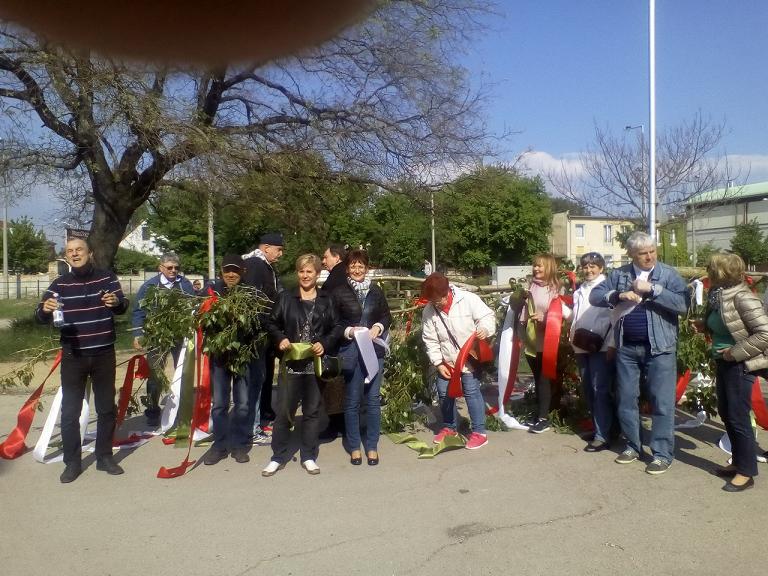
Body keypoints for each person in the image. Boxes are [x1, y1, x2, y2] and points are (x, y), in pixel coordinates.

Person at [591, 231, 689, 475]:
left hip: (660, 348)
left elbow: (683, 304)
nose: (649, 257)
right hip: (627, 348)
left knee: (661, 402)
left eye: (652, 251)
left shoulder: (668, 274)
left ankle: (662, 454)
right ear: (632, 255)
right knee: (626, 399)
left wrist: (654, 289)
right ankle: (633, 446)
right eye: (643, 253)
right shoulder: (620, 274)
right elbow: (595, 296)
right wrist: (619, 295)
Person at [35, 238, 129, 483]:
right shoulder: (59, 284)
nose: (75, 254)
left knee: (106, 408)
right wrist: (45, 309)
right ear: (66, 256)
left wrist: (116, 303)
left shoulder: (107, 278)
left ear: (90, 253)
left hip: (103, 353)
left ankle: (104, 457)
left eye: (79, 250)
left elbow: (122, 306)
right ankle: (72, 463)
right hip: (73, 355)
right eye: (70, 251)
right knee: (70, 412)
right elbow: (39, 316)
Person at [262, 254, 343, 477]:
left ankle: (308, 455)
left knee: (311, 412)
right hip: (291, 365)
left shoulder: (327, 299)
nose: (305, 275)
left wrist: (324, 343)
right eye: (301, 271)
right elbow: (270, 322)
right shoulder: (286, 297)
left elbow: (337, 326)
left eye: (309, 271)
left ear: (317, 274)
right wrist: (280, 338)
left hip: (314, 366)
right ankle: (277, 456)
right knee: (284, 413)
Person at [705, 253, 766, 492]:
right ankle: (739, 462)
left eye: (711, 269)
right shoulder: (719, 295)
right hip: (724, 361)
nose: (708, 272)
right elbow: (726, 325)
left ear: (721, 273)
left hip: (740, 364)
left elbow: (764, 334)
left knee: (738, 416)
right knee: (727, 412)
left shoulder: (743, 297)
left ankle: (746, 472)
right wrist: (704, 326)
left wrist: (734, 352)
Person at [421, 272, 495, 450]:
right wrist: (438, 363)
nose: (435, 304)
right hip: (447, 360)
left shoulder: (468, 299)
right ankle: (449, 427)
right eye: (432, 301)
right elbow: (430, 339)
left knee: (471, 392)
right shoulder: (429, 310)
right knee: (444, 392)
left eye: (438, 300)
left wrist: (485, 329)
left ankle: (479, 432)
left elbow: (487, 316)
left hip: (469, 358)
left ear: (446, 292)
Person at [333, 249, 391, 466]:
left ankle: (372, 446)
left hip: (374, 352)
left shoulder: (376, 291)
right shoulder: (339, 292)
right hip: (351, 352)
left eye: (361, 266)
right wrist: (349, 331)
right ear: (347, 269)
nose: (357, 270)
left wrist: (378, 327)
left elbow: (386, 316)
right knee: (352, 401)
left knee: (373, 400)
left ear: (367, 268)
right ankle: (355, 446)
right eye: (353, 266)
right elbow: (333, 323)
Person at [202, 254, 256, 465]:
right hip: (219, 357)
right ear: (221, 272)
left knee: (242, 404)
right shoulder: (211, 292)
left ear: (243, 272)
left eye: (235, 270)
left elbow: (261, 323)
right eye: (227, 270)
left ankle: (240, 445)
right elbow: (201, 320)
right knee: (219, 404)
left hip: (242, 356)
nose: (231, 274)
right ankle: (219, 446)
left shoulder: (251, 293)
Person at [131, 252, 195, 427]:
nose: (173, 270)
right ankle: (153, 411)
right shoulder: (149, 286)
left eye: (176, 267)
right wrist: (137, 334)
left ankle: (183, 410)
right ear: (161, 268)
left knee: (183, 373)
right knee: (155, 375)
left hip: (180, 336)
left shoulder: (185, 284)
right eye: (169, 267)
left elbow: (193, 305)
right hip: (156, 337)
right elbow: (138, 312)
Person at [519, 253, 572, 434]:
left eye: (540, 265)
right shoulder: (531, 286)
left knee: (544, 380)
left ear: (549, 267)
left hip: (548, 340)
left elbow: (562, 314)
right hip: (531, 340)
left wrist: (545, 317)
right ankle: (539, 413)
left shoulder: (557, 289)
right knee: (537, 379)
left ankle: (544, 419)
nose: (536, 269)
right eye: (534, 265)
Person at [569, 252, 614, 451]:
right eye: (585, 266)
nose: (588, 270)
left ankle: (604, 435)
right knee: (588, 388)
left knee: (599, 389)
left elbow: (615, 316)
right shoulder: (579, 291)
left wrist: (612, 344)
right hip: (581, 345)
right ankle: (599, 428)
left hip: (600, 346)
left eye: (592, 266)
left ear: (601, 268)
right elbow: (575, 316)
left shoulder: (607, 289)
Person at [242, 232, 285, 439]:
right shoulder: (256, 265)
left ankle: (260, 419)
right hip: (256, 332)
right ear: (266, 248)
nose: (281, 254)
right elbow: (252, 299)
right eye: (279, 250)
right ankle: (252, 428)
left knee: (262, 378)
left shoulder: (264, 266)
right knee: (255, 380)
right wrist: (261, 326)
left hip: (263, 331)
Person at [319, 242, 348, 440]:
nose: (323, 261)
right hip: (344, 335)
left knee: (334, 382)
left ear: (337, 257)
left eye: (326, 257)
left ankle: (336, 424)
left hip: (335, 337)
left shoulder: (335, 279)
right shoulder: (342, 275)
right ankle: (342, 422)